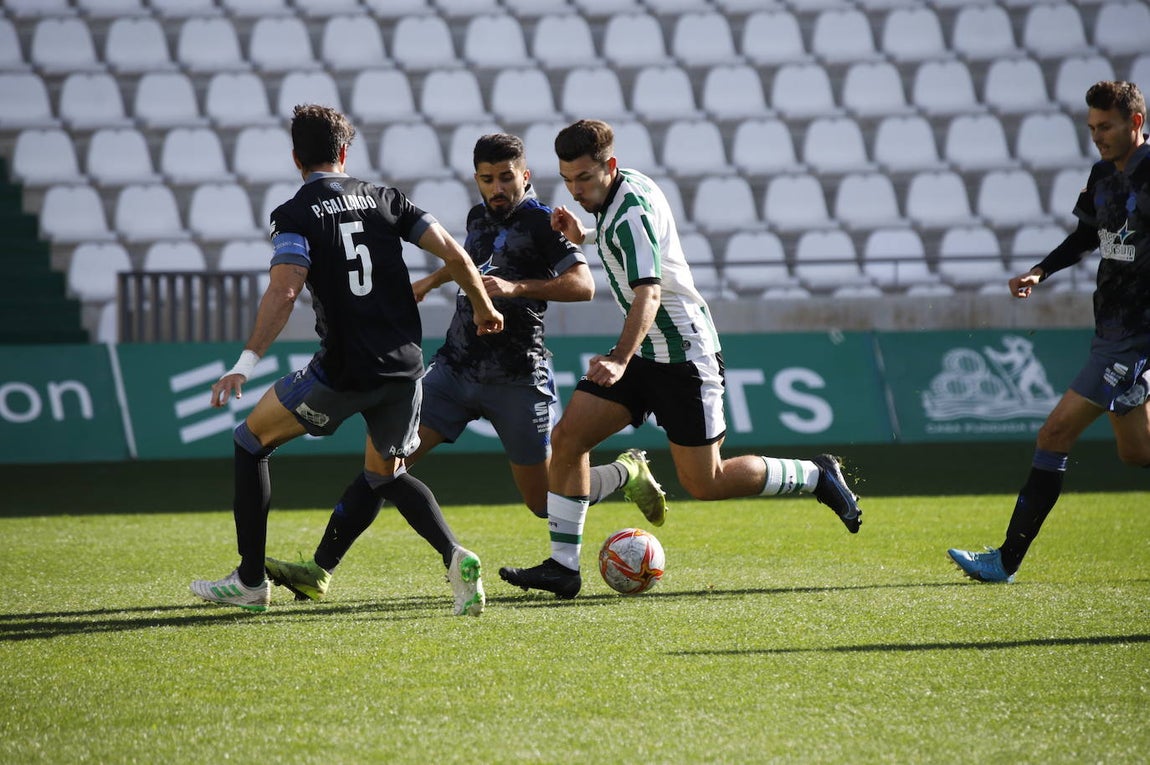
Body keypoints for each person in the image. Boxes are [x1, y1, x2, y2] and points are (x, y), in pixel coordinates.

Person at [262, 133, 669, 602]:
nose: (496, 188)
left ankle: (624, 473)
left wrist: (516, 290)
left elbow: (582, 285)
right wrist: (432, 280)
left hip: (517, 377)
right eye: (487, 179)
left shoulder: (542, 222)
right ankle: (319, 570)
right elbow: (471, 263)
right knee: (384, 467)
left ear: (525, 176)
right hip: (454, 371)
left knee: (543, 502)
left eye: (505, 178)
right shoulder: (479, 217)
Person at [498, 119, 863, 599]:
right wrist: (584, 235)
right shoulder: (626, 186)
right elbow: (628, 249)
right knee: (568, 440)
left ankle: (816, 474)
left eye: (583, 178)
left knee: (705, 481)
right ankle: (563, 567)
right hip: (645, 350)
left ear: (608, 166)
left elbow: (648, 292)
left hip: (685, 356)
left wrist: (619, 359)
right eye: (567, 179)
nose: (575, 188)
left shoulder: (630, 211)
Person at [189, 104, 504, 616]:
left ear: (297, 158)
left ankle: (249, 582)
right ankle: (455, 556)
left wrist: (244, 361)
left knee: (250, 441)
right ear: (344, 152)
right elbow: (456, 255)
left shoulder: (293, 214)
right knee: (385, 475)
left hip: (342, 371)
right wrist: (486, 308)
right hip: (405, 368)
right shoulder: (387, 199)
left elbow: (286, 290)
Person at [948, 81, 1150, 583]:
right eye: (1091, 128)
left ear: (1136, 123)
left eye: (1106, 127)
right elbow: (1086, 235)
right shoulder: (1104, 175)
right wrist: (1040, 270)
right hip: (1111, 328)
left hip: (1136, 336)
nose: (1097, 136)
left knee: (1054, 433)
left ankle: (1005, 560)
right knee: (1137, 452)